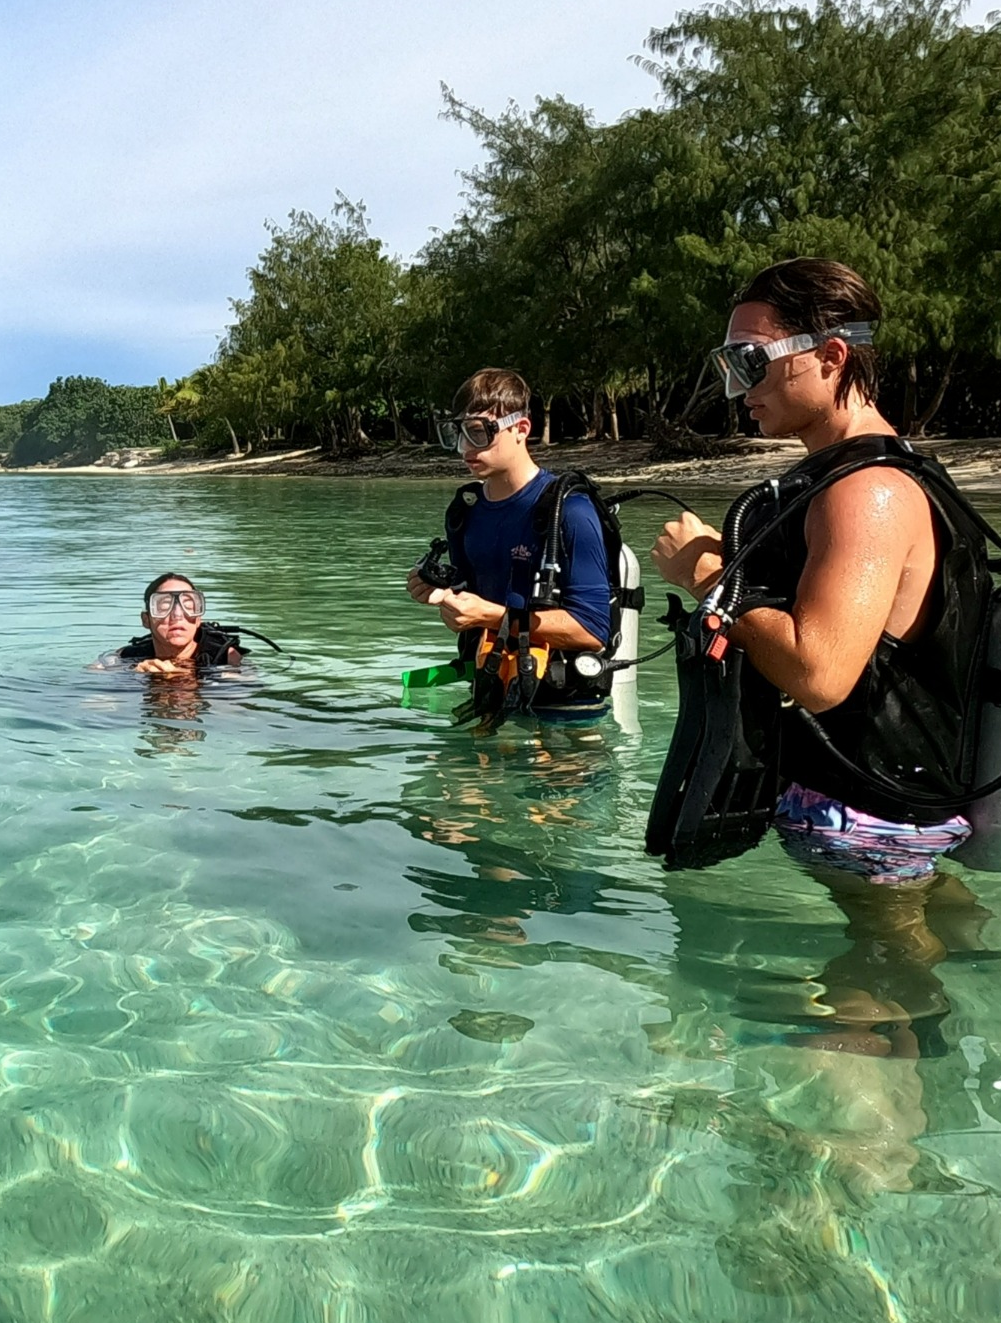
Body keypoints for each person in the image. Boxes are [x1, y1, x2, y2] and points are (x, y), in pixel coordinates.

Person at [645, 257, 971, 882]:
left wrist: (710, 576)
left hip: (869, 815)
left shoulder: (866, 491)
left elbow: (820, 675)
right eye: (728, 365)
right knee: (906, 950)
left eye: (751, 361)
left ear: (831, 357)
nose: (738, 388)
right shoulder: (858, 476)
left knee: (880, 973)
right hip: (877, 811)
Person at [405, 367, 619, 721]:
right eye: (456, 434)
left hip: (565, 708)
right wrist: (440, 596)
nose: (464, 449)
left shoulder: (571, 512)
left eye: (479, 433)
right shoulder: (463, 512)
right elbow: (469, 599)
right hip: (490, 692)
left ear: (521, 429)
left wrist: (491, 615)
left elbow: (594, 630)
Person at [111, 572, 250, 675]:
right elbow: (96, 701)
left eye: (188, 607)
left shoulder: (227, 657)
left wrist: (183, 680)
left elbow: (239, 701)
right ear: (146, 620)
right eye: (164, 607)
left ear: (198, 619)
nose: (177, 615)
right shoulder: (126, 657)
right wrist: (134, 678)